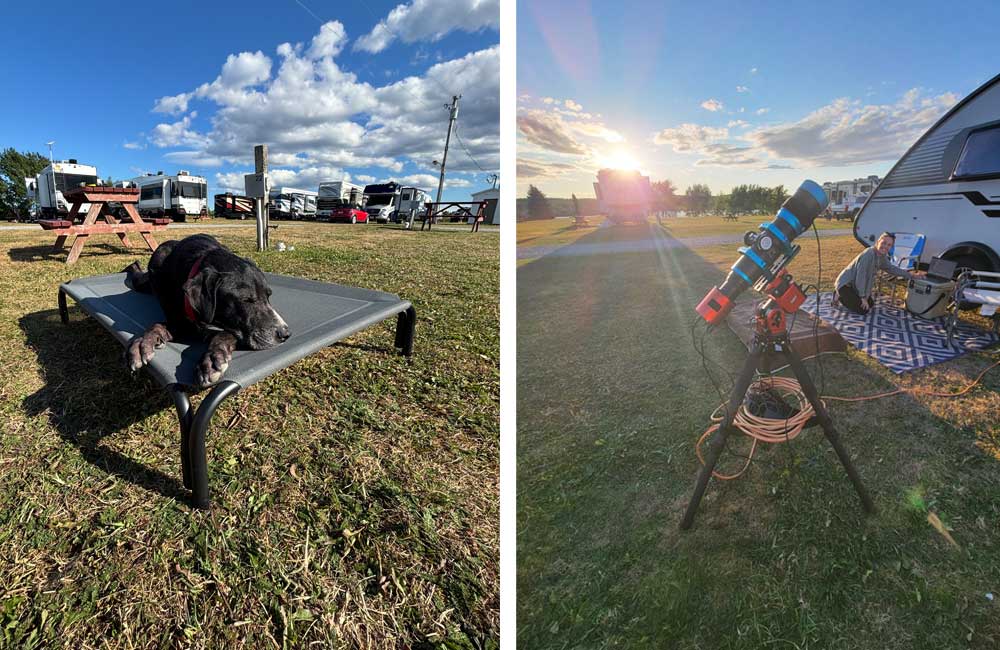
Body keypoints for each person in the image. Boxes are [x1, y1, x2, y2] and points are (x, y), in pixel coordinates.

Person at [834, 231, 914, 314]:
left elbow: (891, 268)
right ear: (878, 242)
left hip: (854, 285)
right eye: (884, 243)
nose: (885, 246)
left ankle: (848, 295)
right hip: (846, 284)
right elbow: (861, 277)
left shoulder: (882, 256)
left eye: (889, 245)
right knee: (863, 310)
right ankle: (838, 294)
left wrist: (909, 275)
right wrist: (862, 297)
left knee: (870, 304)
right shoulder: (868, 254)